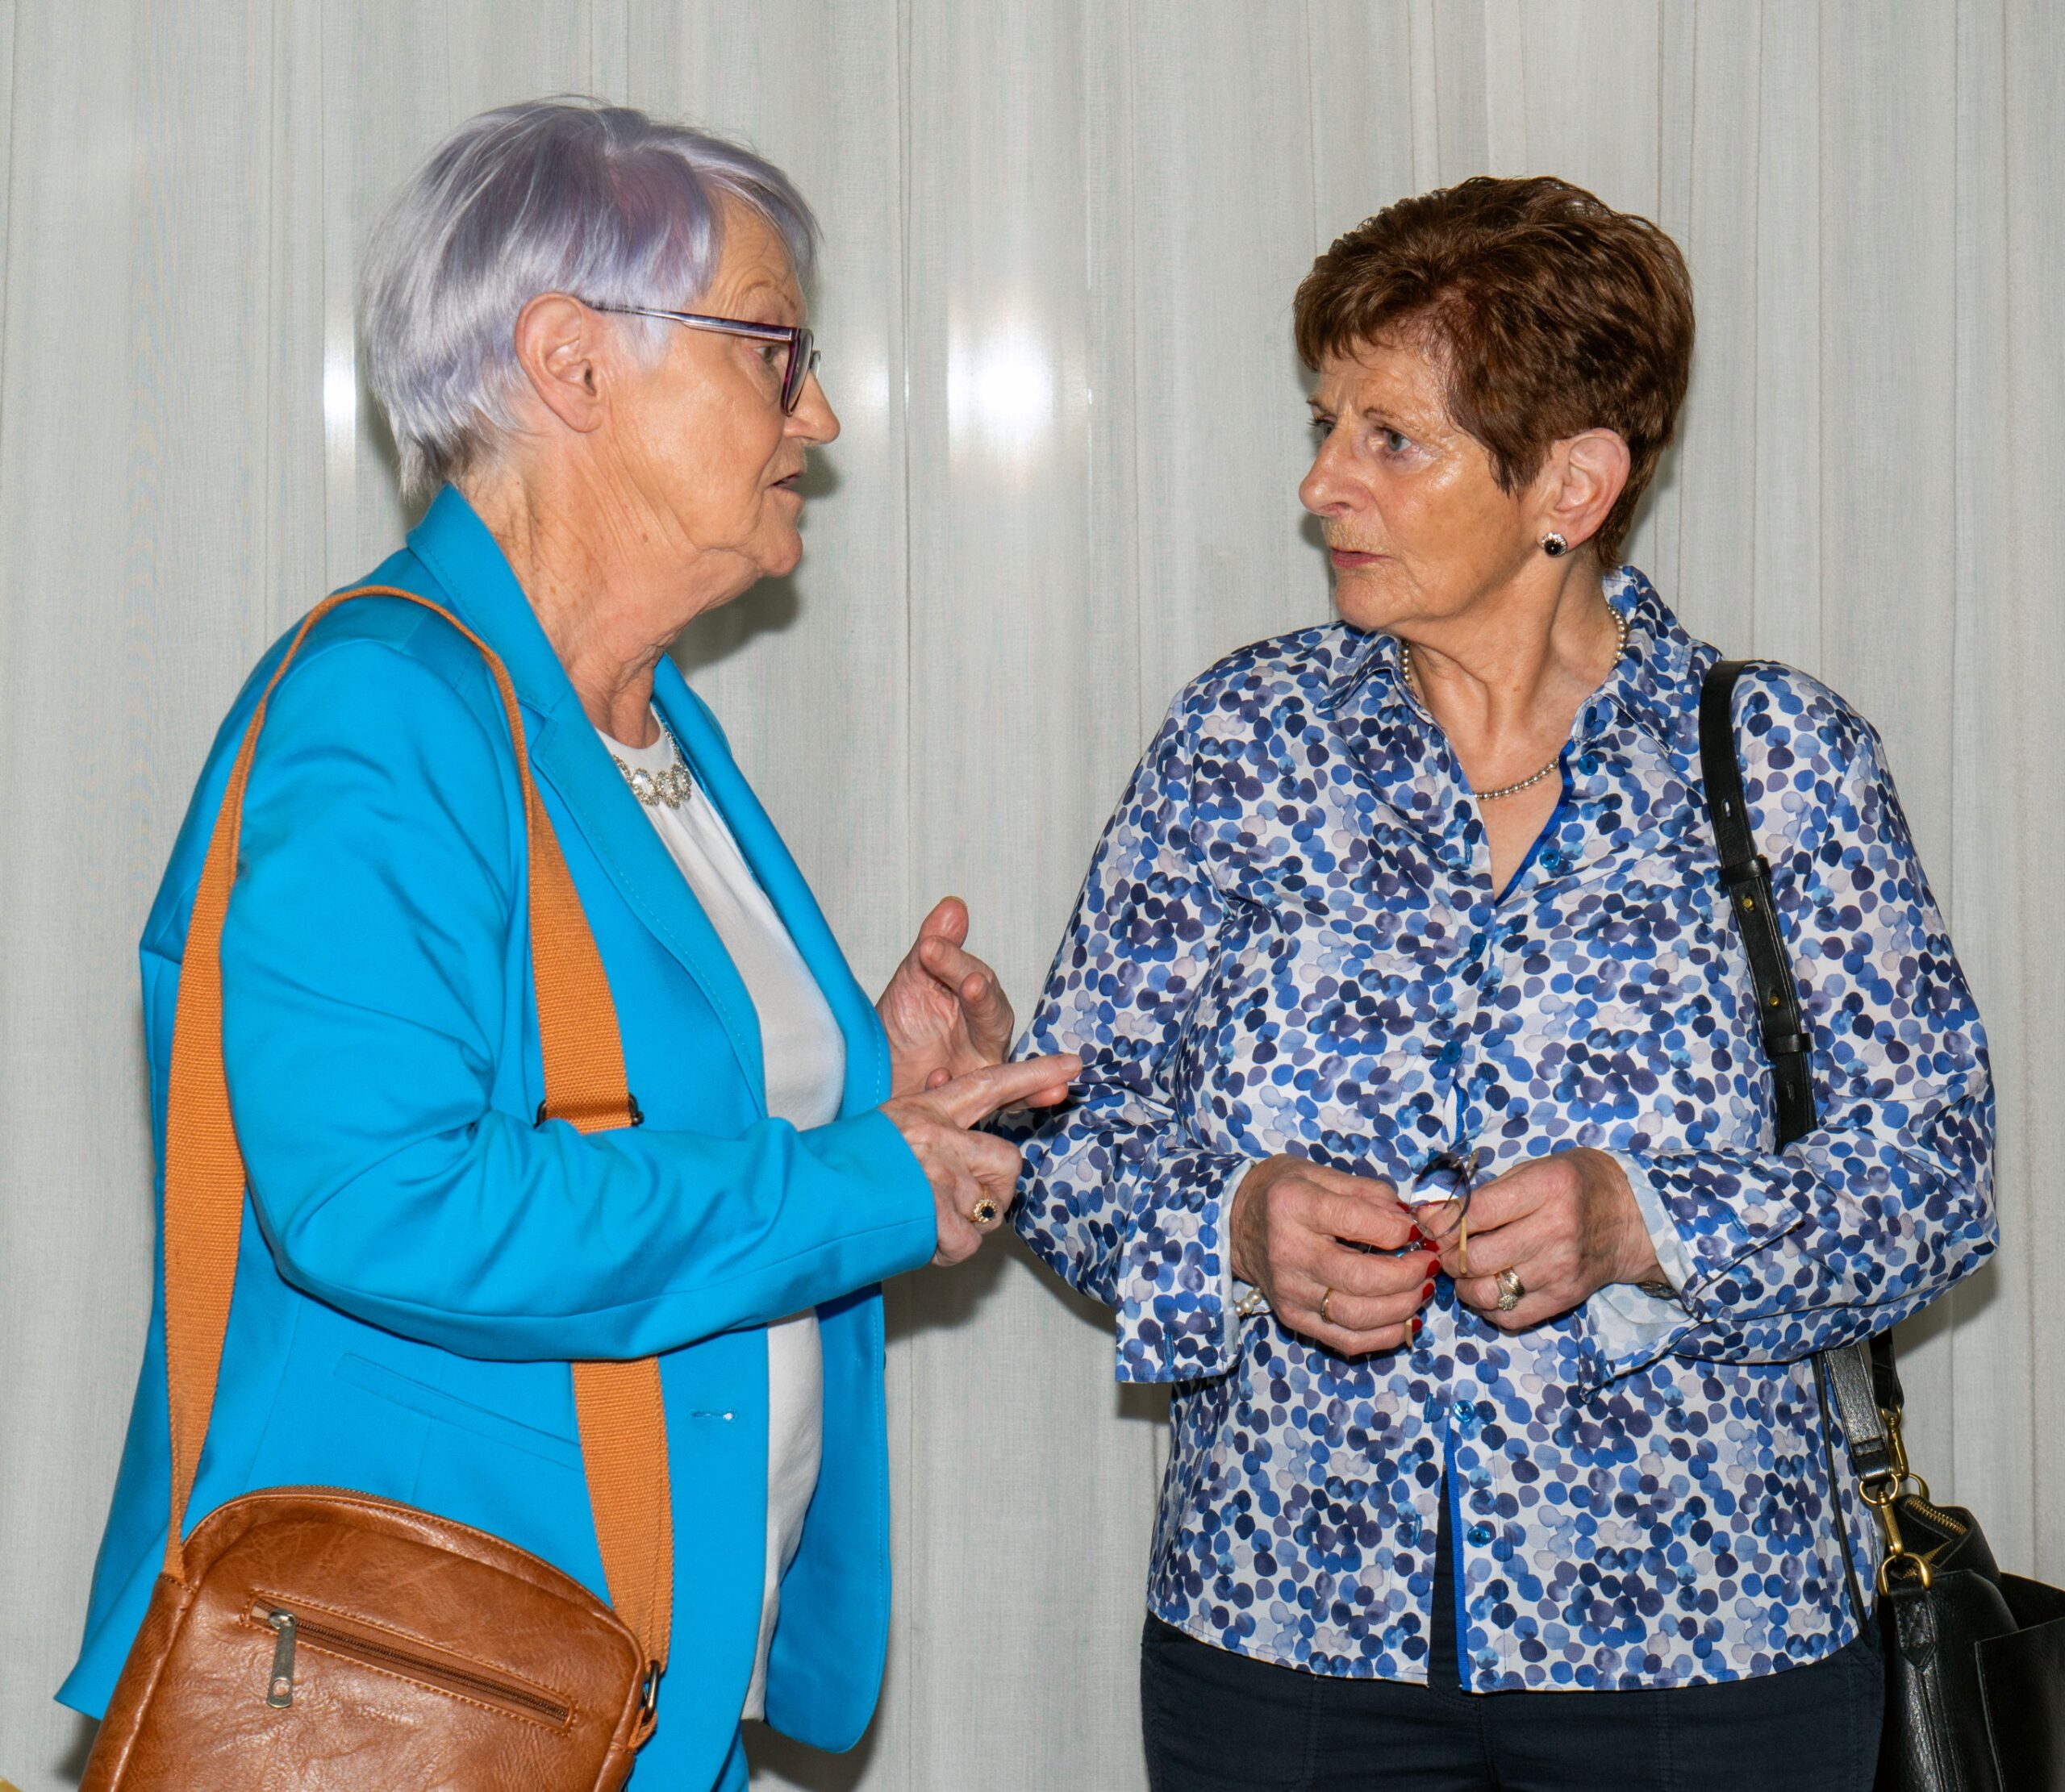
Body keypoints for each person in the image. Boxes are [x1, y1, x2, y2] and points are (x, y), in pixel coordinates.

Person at [60, 98, 1074, 1792]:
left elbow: (634, 1099)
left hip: (622, 1694)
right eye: (775, 352)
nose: (817, 415)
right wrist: (856, 1183)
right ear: (571, 361)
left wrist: (869, 1086)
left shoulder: (639, 718)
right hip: (422, 1706)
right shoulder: (385, 708)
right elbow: (383, 1197)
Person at [1005, 176, 1995, 1791]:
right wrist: (1238, 1224)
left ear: (1570, 484)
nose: (1321, 481)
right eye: (1327, 423)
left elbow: (1934, 1179)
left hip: (1705, 1651)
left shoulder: (1781, 763)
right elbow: (1059, 1131)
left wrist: (1641, 1227)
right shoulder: (1241, 744)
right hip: (1282, 1635)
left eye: (1389, 438)